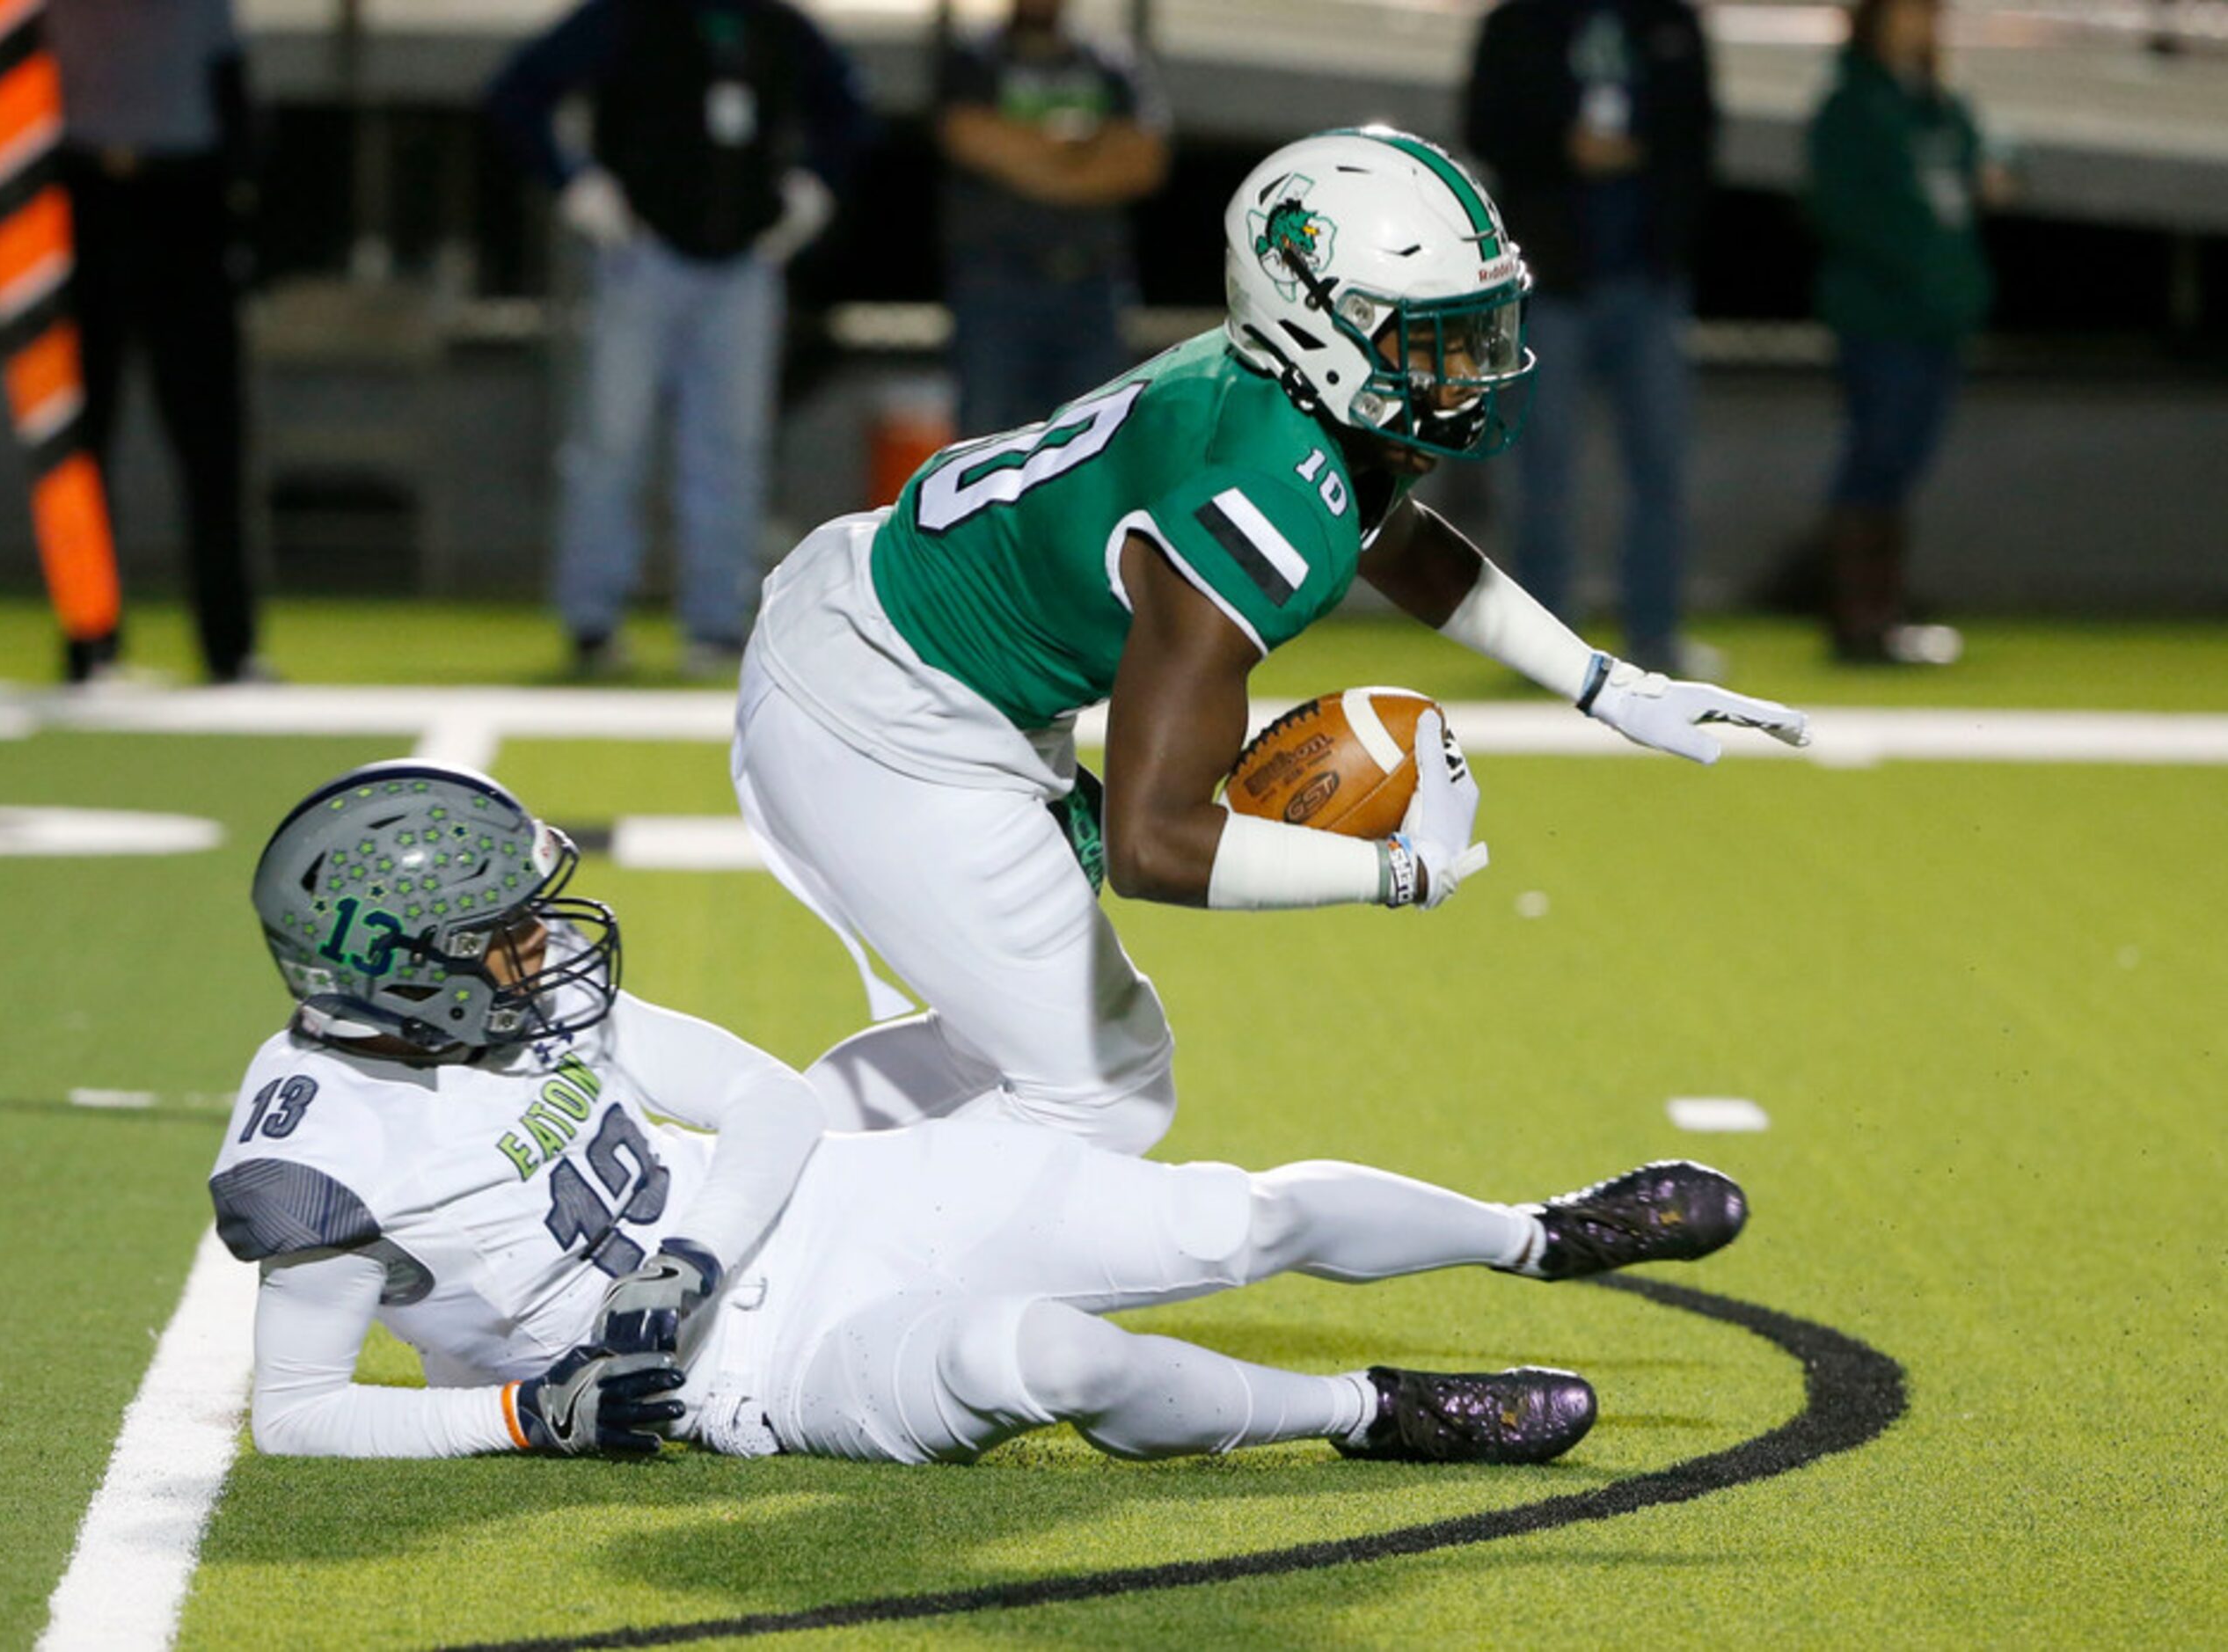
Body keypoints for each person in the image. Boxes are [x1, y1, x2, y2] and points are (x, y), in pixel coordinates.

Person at [733, 128, 1809, 1157]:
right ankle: (779, 1267)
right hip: (883, 710)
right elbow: (1157, 846)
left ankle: (737, 1204)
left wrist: (1604, 684)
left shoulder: (1282, 392)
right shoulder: (1255, 498)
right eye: (1433, 335)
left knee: (1046, 1042)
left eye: (1478, 329)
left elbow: (1388, 536)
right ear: (1315, 320)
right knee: (1101, 1093)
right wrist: (1393, 872)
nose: (1469, 369)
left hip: (903, 638)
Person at [218, 760, 1751, 1464]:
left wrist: (683, 1253)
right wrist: (518, 1414)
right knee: (1051, 1356)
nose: (541, 941)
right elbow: (291, 1416)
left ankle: (1542, 1233)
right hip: (756, 1373)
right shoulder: (317, 1160)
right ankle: (1378, 1410)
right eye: (499, 931)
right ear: (398, 973)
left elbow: (760, 1098)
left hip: (821, 1207)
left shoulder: (532, 992)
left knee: (1237, 1211)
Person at [486, 0, 869, 680]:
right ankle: (592, 620)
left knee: (730, 448)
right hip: (642, 256)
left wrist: (814, 193)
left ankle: (716, 623)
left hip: (745, 264)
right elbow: (517, 91)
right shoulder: (627, 15)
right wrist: (574, 186)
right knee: (611, 439)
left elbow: (849, 107)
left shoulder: (775, 24)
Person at [1463, 0, 1714, 679]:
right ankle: (1543, 649)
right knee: (1541, 470)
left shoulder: (1668, 23)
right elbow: (1483, 124)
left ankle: (1655, 636)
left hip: (1646, 279)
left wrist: (1667, 226)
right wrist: (1558, 146)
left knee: (1660, 466)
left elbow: (1697, 134)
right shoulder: (1519, 22)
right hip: (1551, 279)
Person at [44, 0, 267, 684]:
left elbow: (234, 90)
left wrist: (240, 209)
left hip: (183, 200)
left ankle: (228, 646)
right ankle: (88, 637)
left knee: (211, 440)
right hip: (81, 198)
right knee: (78, 440)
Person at [1803, 0, 2003, 665]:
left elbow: (1984, 159)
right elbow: (1838, 207)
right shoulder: (1850, 105)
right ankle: (1859, 619)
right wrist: (1914, 265)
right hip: (1880, 317)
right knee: (1877, 457)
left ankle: (1882, 615)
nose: (1919, 27)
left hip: (1936, 318)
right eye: (1906, 13)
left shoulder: (1938, 101)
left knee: (1900, 463)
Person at [937, 0, 1171, 436]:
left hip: (1094, 289)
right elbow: (968, 137)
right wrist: (1082, 158)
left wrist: (1027, 157)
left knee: (1096, 442)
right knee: (986, 443)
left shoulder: (1110, 62)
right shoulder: (975, 60)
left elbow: (1145, 162)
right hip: (996, 287)